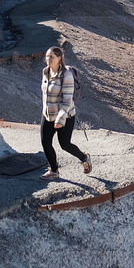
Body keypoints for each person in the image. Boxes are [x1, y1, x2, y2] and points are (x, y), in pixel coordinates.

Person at [40, 46, 91, 180]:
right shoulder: (45, 72)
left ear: (59, 58)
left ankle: (84, 158)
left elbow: (67, 100)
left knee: (65, 145)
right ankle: (54, 170)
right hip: (48, 115)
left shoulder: (66, 75)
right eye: (46, 56)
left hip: (65, 116)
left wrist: (60, 118)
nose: (48, 59)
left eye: (51, 57)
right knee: (45, 142)